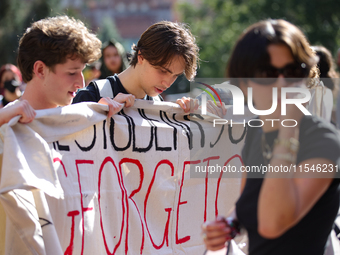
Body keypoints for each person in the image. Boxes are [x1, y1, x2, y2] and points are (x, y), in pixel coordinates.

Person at [202, 19, 340, 255]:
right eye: (267, 73)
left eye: (294, 71)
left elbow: (272, 223)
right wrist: (229, 225)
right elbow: (248, 204)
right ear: (244, 84)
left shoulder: (323, 140)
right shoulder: (258, 131)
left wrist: (288, 128)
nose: (283, 82)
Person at [0, 15, 135, 254]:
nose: (81, 82)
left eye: (82, 71)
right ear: (40, 69)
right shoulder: (7, 127)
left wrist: (107, 119)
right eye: (72, 72)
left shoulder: (85, 120)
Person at [73, 21, 199, 113]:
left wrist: (179, 118)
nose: (167, 83)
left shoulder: (159, 106)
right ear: (141, 57)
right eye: (162, 71)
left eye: (176, 75)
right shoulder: (89, 97)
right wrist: (97, 114)